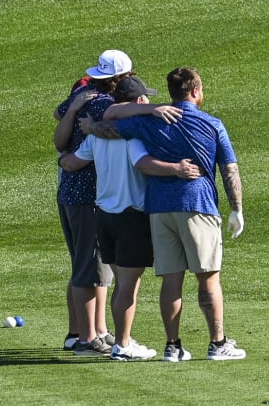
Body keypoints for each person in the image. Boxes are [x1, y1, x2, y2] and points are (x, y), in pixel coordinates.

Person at [87, 67, 246, 361]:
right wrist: (236, 209)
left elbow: (107, 121)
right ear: (196, 91)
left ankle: (173, 347)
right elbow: (229, 170)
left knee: (171, 281)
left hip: (159, 210)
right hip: (199, 206)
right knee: (208, 279)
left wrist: (90, 126)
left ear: (171, 93)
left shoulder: (148, 122)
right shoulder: (212, 124)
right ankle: (218, 343)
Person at [60, 76, 198, 360]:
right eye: (145, 97)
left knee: (119, 282)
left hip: (104, 218)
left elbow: (73, 162)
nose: (148, 101)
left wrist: (62, 159)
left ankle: (116, 339)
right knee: (127, 285)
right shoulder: (135, 134)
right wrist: (176, 169)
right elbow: (143, 163)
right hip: (131, 217)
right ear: (137, 101)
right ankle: (122, 345)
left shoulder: (95, 136)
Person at [54, 50, 134, 354]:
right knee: (89, 266)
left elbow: (58, 118)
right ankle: (87, 337)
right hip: (89, 194)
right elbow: (113, 123)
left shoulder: (84, 94)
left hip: (72, 191)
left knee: (94, 265)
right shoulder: (104, 105)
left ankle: (93, 331)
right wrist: (156, 111)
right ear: (122, 78)